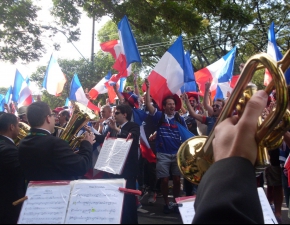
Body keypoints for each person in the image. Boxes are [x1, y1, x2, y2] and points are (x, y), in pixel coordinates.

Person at [192, 90, 267, 223]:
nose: (214, 107)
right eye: (213, 106)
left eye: (217, 106)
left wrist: (226, 166)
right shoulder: (210, 119)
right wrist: (234, 163)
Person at [18, 101, 95, 181]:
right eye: (52, 115)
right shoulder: (55, 143)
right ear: (48, 118)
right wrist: (87, 144)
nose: (55, 118)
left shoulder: (23, 142)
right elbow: (81, 168)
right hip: (54, 191)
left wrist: (69, 154)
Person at [145, 79, 187, 214]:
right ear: (164, 106)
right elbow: (148, 105)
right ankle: (167, 203)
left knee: (176, 179)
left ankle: (175, 201)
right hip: (162, 154)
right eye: (169, 104)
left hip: (176, 153)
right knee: (163, 180)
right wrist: (148, 88)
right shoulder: (159, 116)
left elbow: (186, 135)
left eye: (173, 104)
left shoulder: (180, 118)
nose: (172, 106)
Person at [94, 104, 140, 224]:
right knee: (118, 199)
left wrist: (116, 129)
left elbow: (132, 137)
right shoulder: (115, 127)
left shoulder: (133, 126)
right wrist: (91, 133)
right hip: (115, 168)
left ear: (124, 115)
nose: (113, 115)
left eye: (116, 113)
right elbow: (104, 138)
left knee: (128, 200)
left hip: (128, 170)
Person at [0, 113, 26, 224]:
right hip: (8, 205)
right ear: (11, 127)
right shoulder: (8, 150)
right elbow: (21, 173)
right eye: (18, 126)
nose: (19, 129)